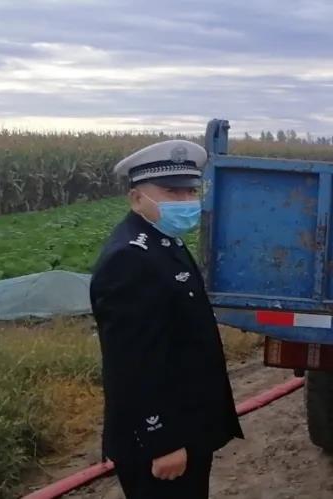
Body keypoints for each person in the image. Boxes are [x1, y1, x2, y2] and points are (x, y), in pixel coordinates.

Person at [90, 139, 243, 498]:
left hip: (186, 426)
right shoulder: (130, 259)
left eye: (190, 191)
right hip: (161, 440)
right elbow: (133, 362)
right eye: (172, 192)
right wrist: (162, 442)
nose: (186, 200)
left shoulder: (164, 240)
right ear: (136, 198)